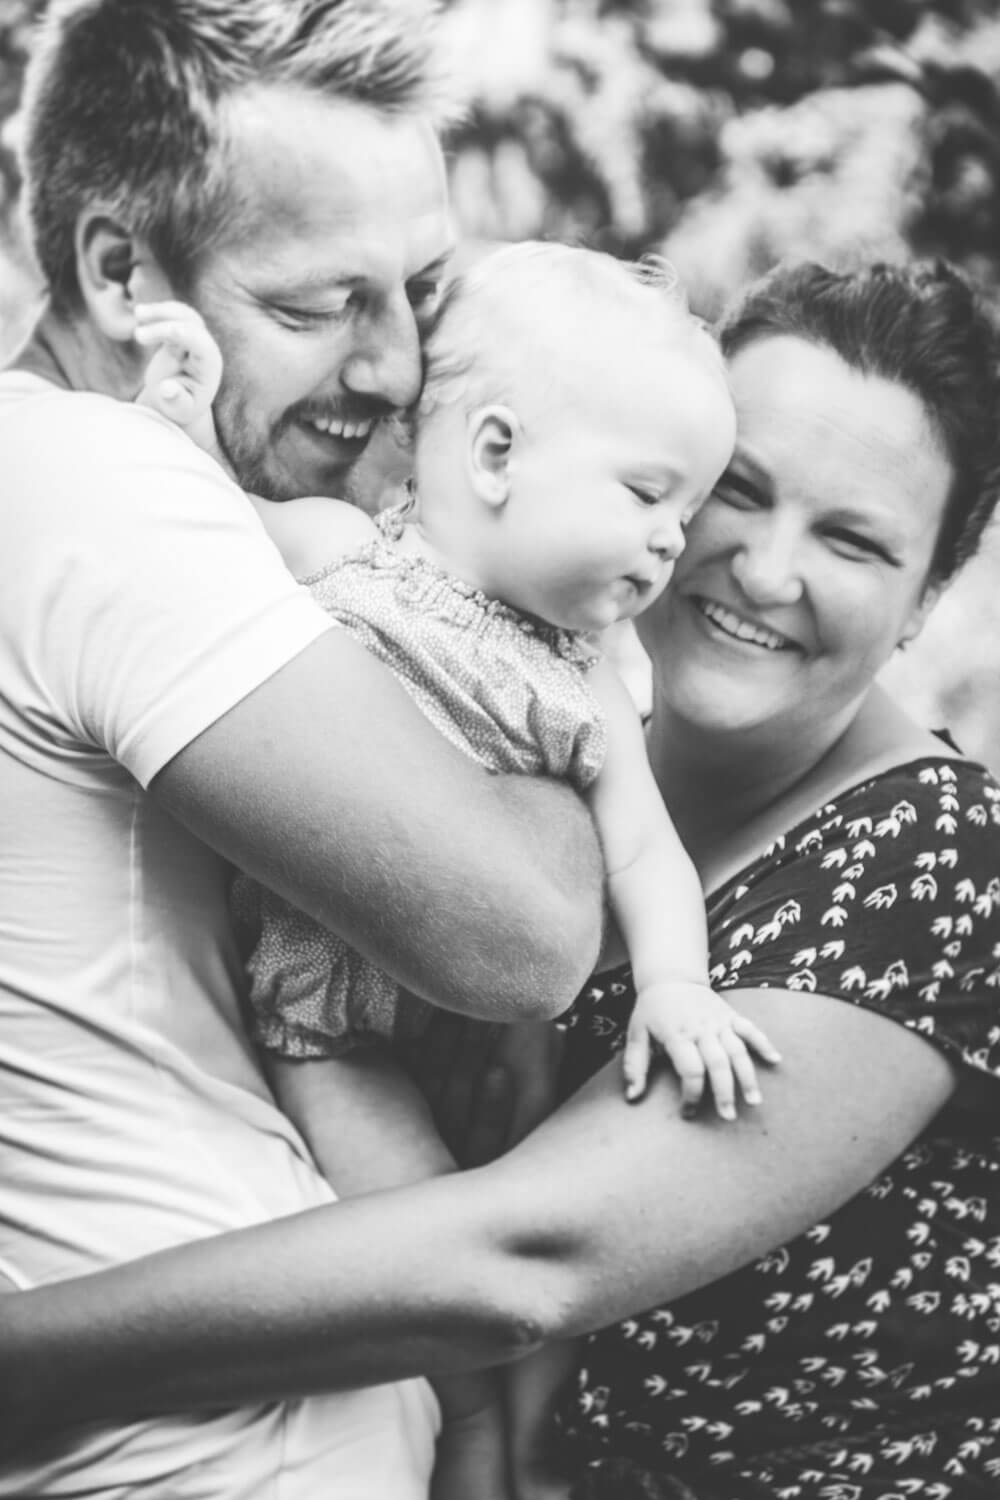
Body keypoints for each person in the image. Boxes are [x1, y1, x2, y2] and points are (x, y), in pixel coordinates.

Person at [5, 257, 1000, 1500]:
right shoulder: (540, 719)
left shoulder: (942, 862)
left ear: (924, 603)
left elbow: (524, 1260)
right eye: (730, 493)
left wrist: (28, 1360)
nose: (759, 569)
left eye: (853, 541)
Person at [0, 2, 606, 1497]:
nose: (397, 368)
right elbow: (521, 937)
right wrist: (575, 673)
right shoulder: (96, 477)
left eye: (419, 289)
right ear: (120, 269)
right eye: (320, 305)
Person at [133, 242, 774, 1500]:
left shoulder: (590, 681)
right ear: (492, 454)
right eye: (649, 495)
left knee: (473, 1264)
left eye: (685, 514)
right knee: (386, 1246)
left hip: (461, 1039)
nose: (671, 545)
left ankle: (488, 1448)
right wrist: (171, 408)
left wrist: (676, 988)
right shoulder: (342, 557)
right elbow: (191, 518)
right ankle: (466, 1438)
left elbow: (642, 851)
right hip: (323, 1032)